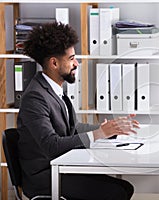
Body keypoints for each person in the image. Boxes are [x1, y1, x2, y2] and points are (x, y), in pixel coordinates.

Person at [17, 21, 139, 200]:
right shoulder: (35, 98)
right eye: (71, 58)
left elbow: (72, 128)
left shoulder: (55, 90)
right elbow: (52, 146)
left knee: (125, 188)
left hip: (62, 167)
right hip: (45, 176)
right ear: (54, 63)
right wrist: (99, 133)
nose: (77, 63)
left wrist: (109, 130)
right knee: (117, 193)